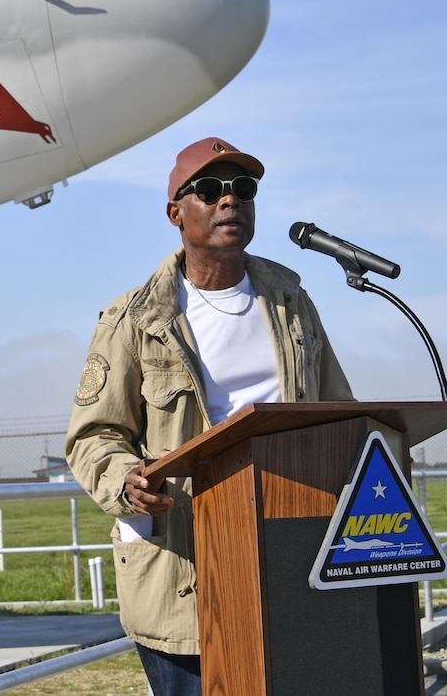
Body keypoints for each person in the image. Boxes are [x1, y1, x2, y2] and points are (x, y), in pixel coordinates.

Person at [66, 137, 354, 694]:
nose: (230, 201)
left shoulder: (290, 300)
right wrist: (126, 482)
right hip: (185, 563)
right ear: (176, 211)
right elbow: (95, 435)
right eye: (210, 190)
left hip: (292, 549)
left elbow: (338, 412)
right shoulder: (135, 317)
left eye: (243, 190)